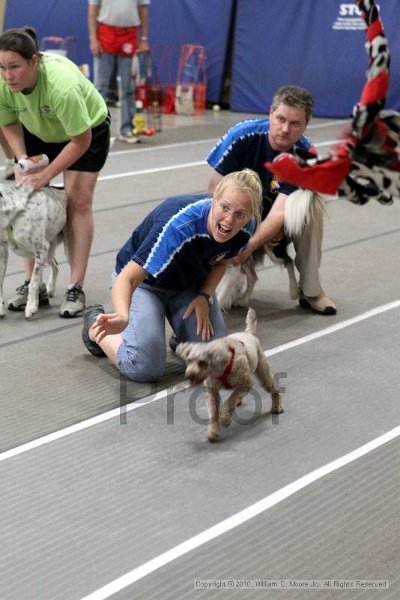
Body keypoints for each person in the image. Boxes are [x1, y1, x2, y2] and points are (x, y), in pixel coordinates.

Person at [81, 169, 262, 382]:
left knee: (217, 358)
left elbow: (222, 260)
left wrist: (204, 295)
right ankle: (94, 327)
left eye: (240, 214)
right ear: (214, 200)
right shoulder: (177, 225)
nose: (229, 221)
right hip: (145, 284)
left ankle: (182, 335)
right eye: (224, 208)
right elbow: (127, 279)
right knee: (143, 367)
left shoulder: (246, 228)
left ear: (249, 217)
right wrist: (122, 314)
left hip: (188, 284)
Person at [0, 27, 110, 318]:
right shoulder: (4, 85)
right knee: (29, 200)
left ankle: (76, 286)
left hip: (86, 129)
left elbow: (81, 140)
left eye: (15, 67)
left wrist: (47, 173)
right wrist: (21, 160)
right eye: (2, 67)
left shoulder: (62, 87)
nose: (8, 75)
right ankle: (31, 283)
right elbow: (8, 123)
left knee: (78, 201)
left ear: (34, 61)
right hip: (39, 126)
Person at [206, 85, 336, 316]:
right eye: (281, 119)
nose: (285, 129)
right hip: (243, 211)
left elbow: (279, 212)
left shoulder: (305, 155)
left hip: (281, 214)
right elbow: (213, 192)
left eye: (295, 123)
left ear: (306, 125)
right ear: (270, 113)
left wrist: (249, 246)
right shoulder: (241, 136)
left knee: (312, 210)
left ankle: (311, 291)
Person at [88, 0, 150, 144]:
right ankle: (96, 131)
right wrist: (93, 39)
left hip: (129, 36)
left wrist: (144, 39)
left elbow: (143, 10)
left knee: (128, 87)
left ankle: (126, 129)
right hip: (106, 35)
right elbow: (92, 9)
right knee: (101, 88)